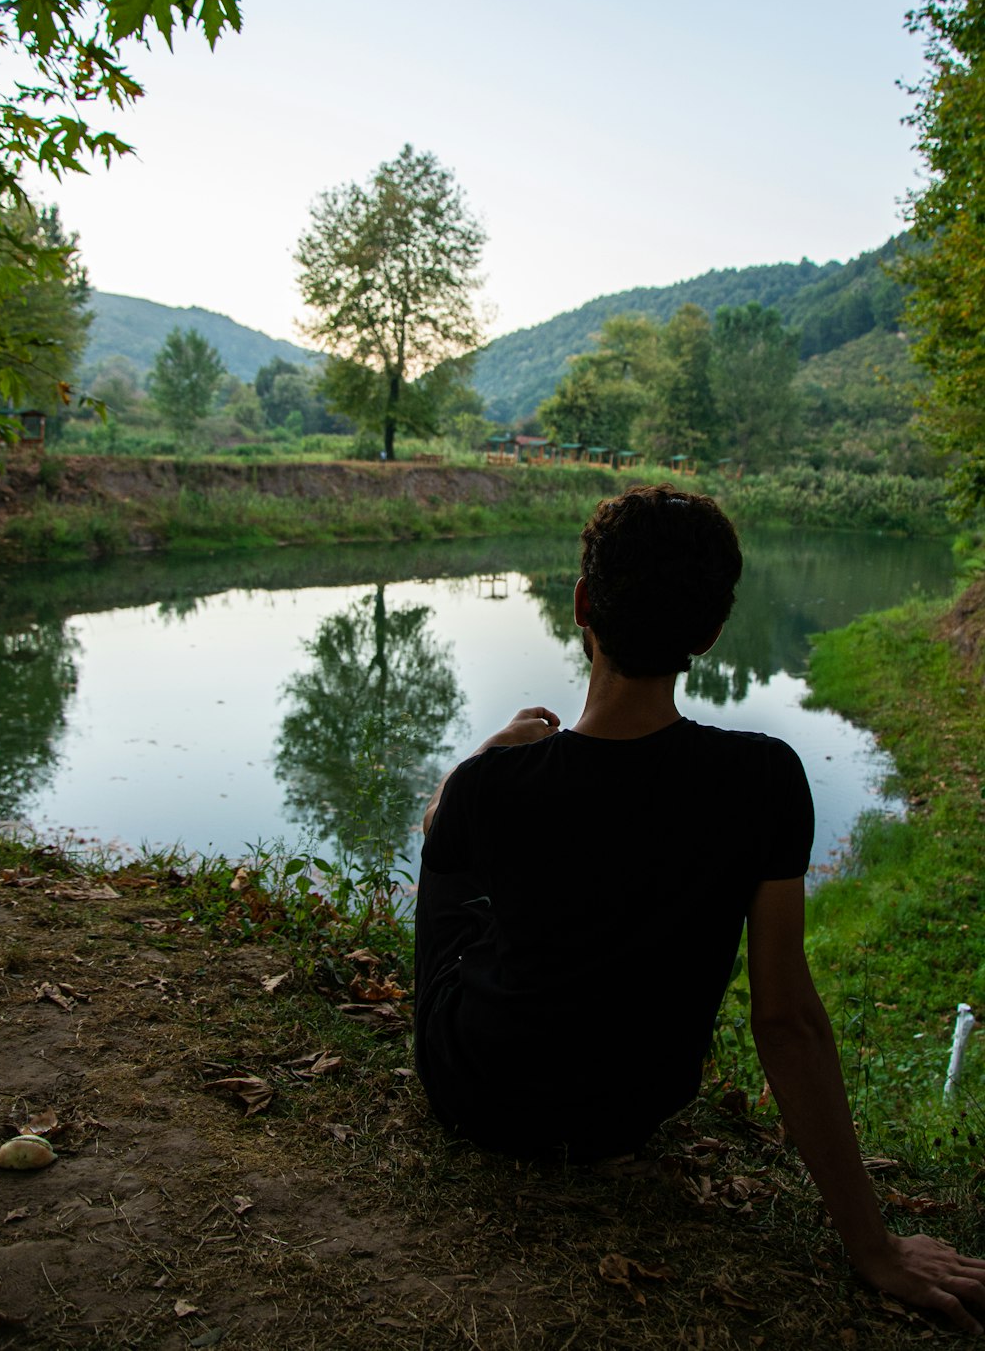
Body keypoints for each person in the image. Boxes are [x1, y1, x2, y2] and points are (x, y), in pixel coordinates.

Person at [414, 483, 985, 1333]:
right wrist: (873, 1245)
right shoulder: (764, 781)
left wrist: (490, 753)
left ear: (581, 607)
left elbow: (440, 840)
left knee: (452, 839)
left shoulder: (499, 783)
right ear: (710, 633)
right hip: (631, 1109)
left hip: (475, 1094)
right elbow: (786, 1019)